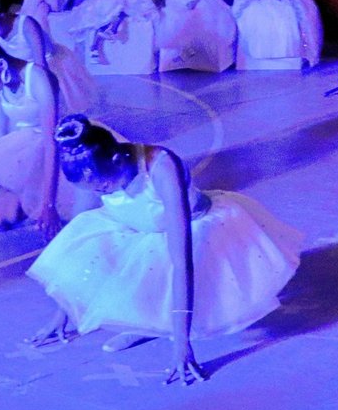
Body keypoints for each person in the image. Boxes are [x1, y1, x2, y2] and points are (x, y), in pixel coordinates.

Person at [26, 117, 303, 384]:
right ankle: (147, 322)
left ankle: (167, 325)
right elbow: (80, 250)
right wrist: (64, 313)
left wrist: (182, 345)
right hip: (138, 228)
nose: (102, 193)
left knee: (164, 264)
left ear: (117, 159)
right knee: (93, 238)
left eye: (104, 187)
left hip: (194, 230)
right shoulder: (91, 162)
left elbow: (181, 261)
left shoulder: (161, 167)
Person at [0, 30, 67, 236]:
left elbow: (50, 141)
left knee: (15, 216)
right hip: (22, 151)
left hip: (54, 148)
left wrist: (49, 204)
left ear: (1, 65)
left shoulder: (37, 77)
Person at [0, 0, 98, 116]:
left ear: (2, 16)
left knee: (60, 111)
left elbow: (41, 64)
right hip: (22, 74)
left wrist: (40, 92)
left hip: (50, 69)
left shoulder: (27, 25)